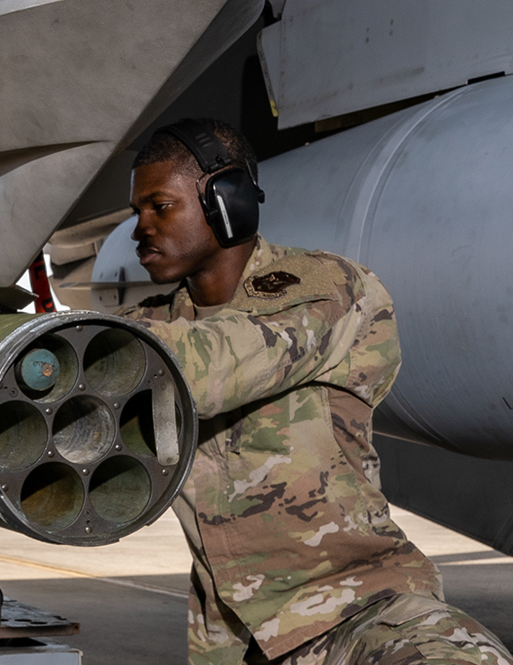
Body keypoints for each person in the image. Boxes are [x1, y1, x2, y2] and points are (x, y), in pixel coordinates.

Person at [122, 118, 510, 665]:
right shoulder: (149, 325)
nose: (140, 228)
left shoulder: (325, 288)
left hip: (359, 610)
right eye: (136, 211)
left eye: (160, 206)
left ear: (226, 199)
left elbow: (207, 367)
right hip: (235, 642)